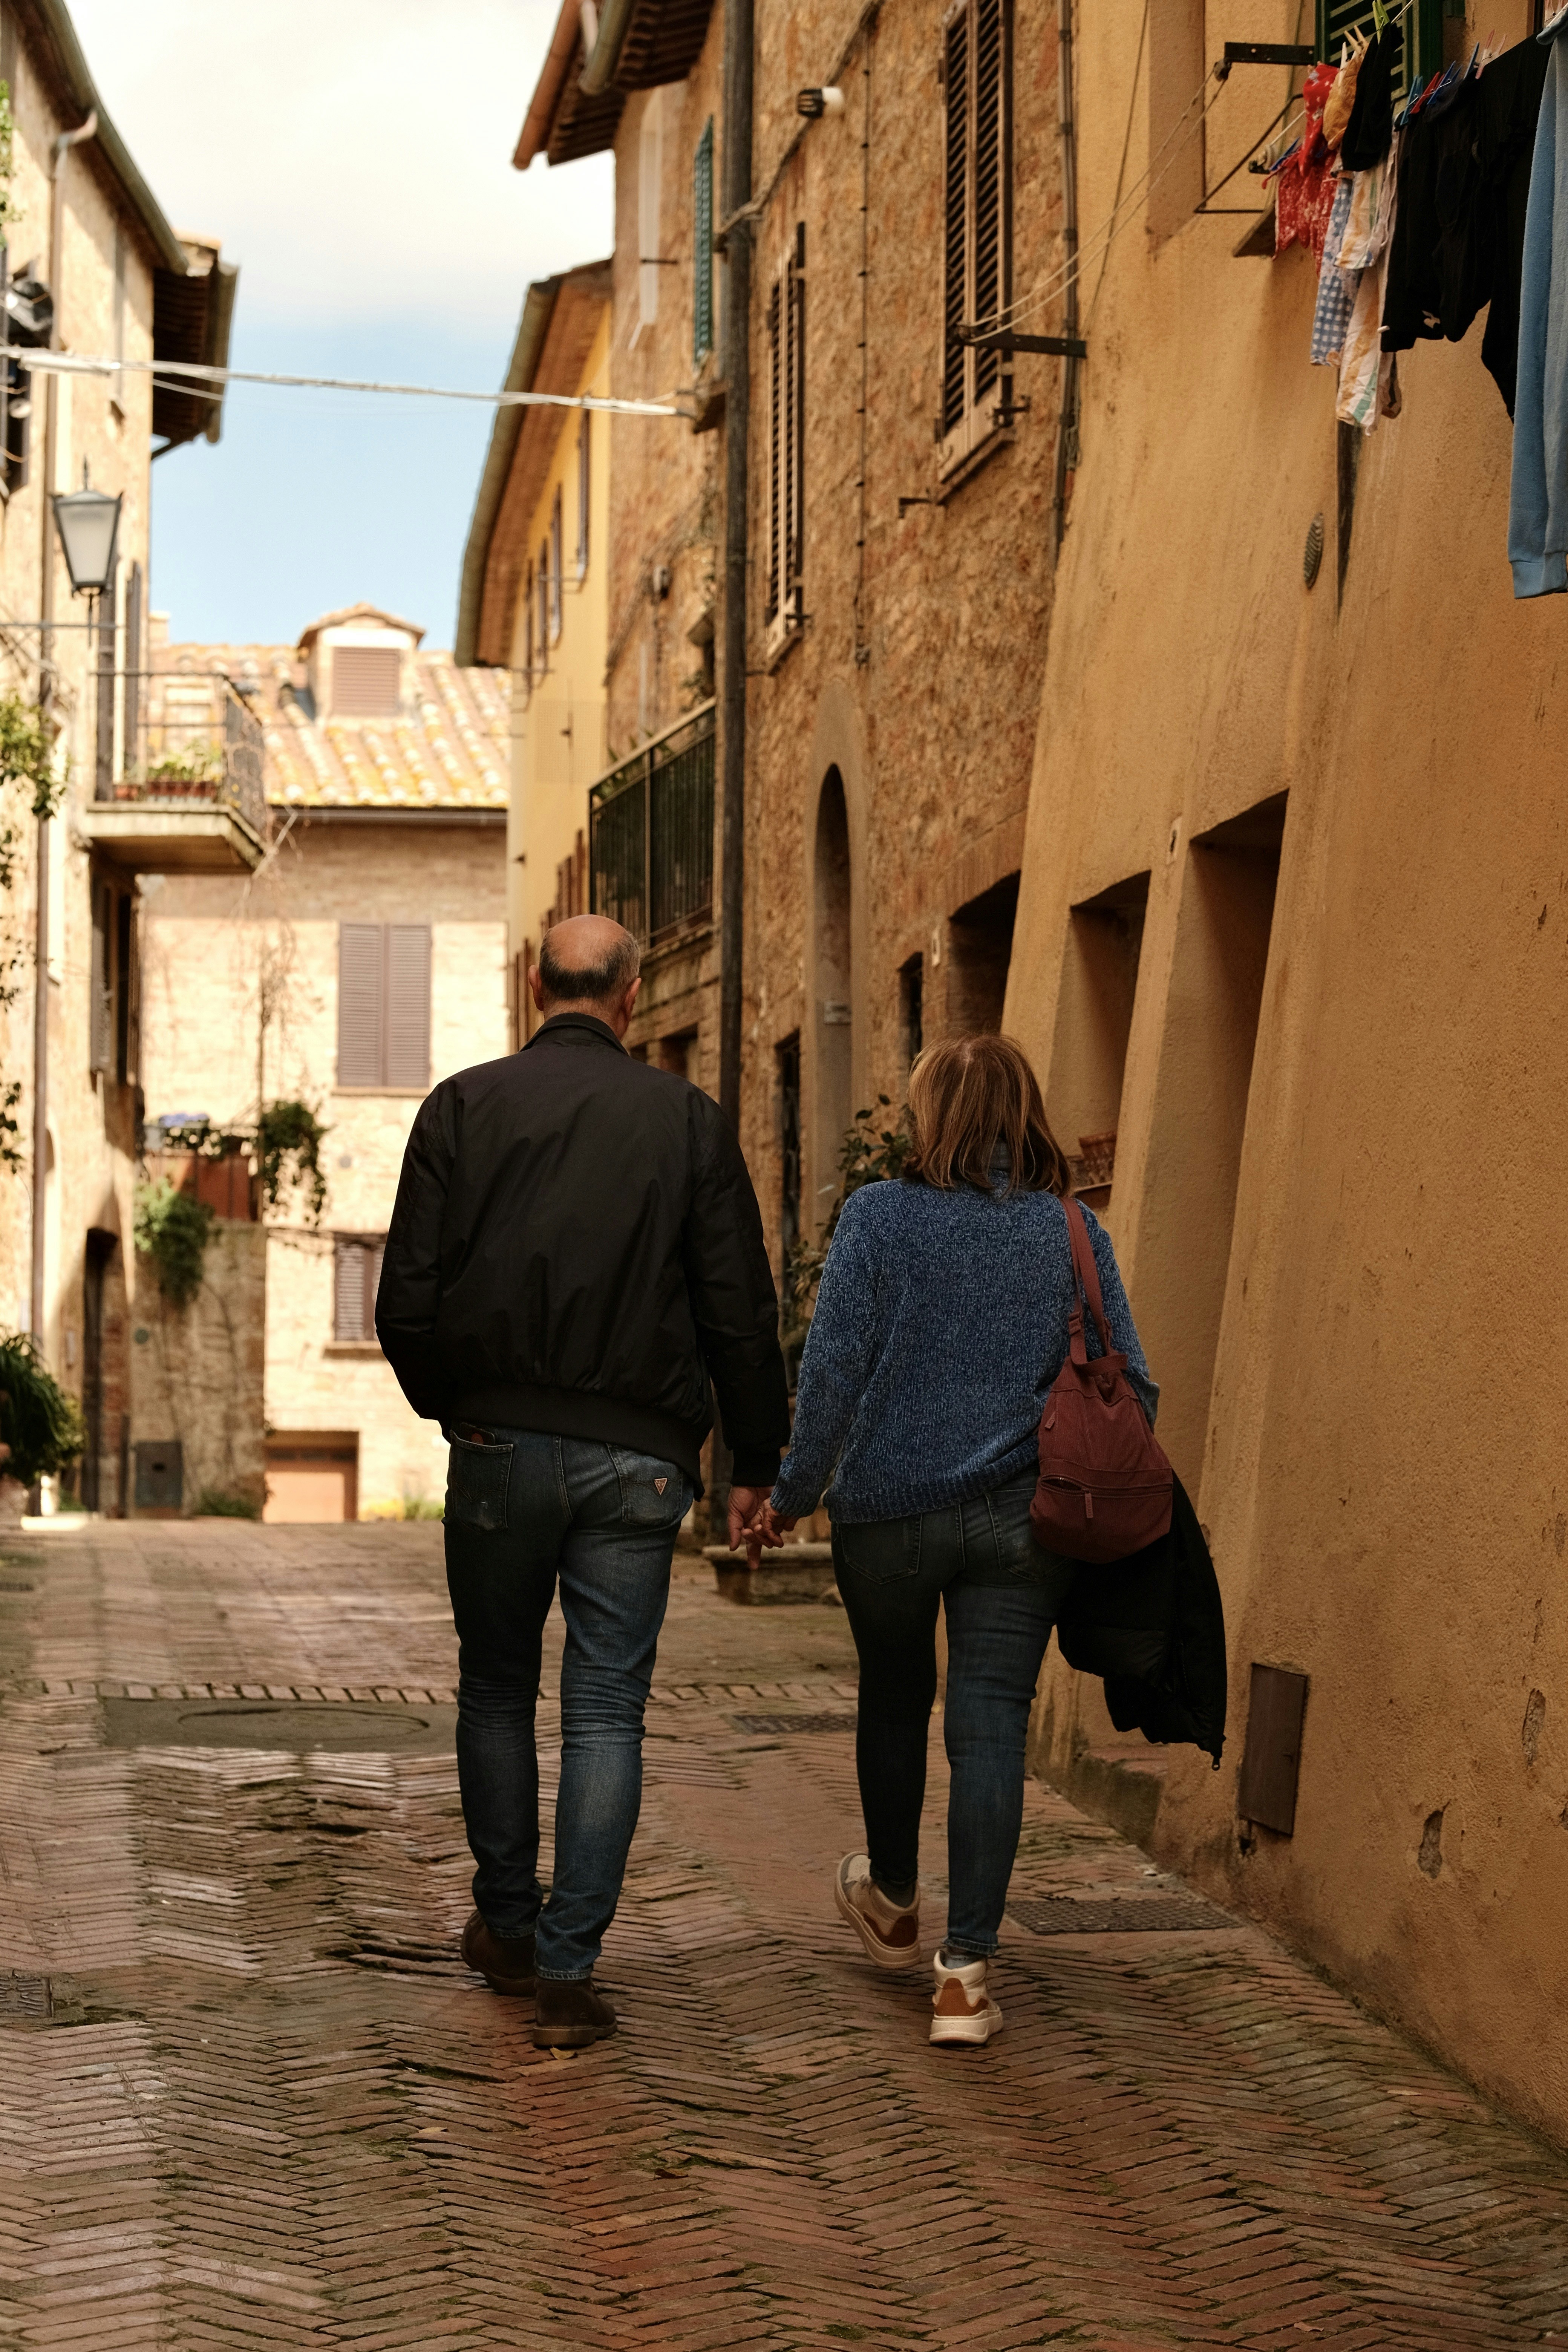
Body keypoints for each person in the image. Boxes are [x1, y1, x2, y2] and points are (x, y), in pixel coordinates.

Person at [377, 914, 789, 2049]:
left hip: (499, 1449)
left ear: (532, 983)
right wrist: (757, 1462)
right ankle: (570, 1970)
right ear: (634, 994)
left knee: (499, 1691)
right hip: (640, 1462)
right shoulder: (689, 1124)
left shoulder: (461, 1108)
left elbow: (404, 1304)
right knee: (607, 1710)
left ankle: (507, 1929)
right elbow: (737, 1312)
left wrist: (463, 1412)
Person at [752, 1035, 1156, 2050]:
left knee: (894, 1699)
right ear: (1025, 1114)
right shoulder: (1072, 1231)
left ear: (929, 1117)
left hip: (886, 1516)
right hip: (1023, 1522)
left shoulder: (878, 1218)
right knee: (989, 1728)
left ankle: (892, 1899)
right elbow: (1134, 1384)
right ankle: (966, 1975)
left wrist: (791, 1495)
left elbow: (833, 1372)